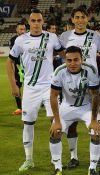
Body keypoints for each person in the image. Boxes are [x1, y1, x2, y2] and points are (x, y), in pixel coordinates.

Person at [6, 9, 64, 172]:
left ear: (42, 21)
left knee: (56, 124)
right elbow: (9, 62)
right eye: (33, 21)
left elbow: (64, 55)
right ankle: (29, 159)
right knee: (28, 123)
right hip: (31, 88)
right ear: (29, 23)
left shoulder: (52, 37)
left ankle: (57, 163)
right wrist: (13, 85)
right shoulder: (20, 40)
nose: (36, 23)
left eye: (39, 21)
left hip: (50, 88)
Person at [59, 6, 100, 168]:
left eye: (83, 17)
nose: (80, 20)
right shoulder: (65, 36)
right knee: (71, 124)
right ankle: (74, 157)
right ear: (72, 19)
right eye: (77, 17)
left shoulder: (95, 36)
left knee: (95, 122)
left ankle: (99, 159)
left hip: (91, 85)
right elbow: (61, 56)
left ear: (88, 18)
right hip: (70, 85)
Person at [49, 46, 100, 175]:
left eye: (76, 60)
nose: (72, 63)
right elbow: (53, 96)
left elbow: (95, 96)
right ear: (65, 60)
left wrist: (94, 120)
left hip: (86, 107)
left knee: (96, 131)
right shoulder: (59, 71)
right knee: (55, 132)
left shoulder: (91, 70)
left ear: (82, 60)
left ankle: (92, 168)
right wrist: (56, 120)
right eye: (69, 60)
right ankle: (57, 167)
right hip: (67, 106)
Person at [6, 22, 26, 115]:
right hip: (18, 67)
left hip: (29, 67)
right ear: (17, 30)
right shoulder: (13, 40)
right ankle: (20, 108)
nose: (22, 31)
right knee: (17, 86)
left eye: (24, 29)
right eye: (21, 29)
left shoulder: (29, 38)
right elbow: (12, 57)